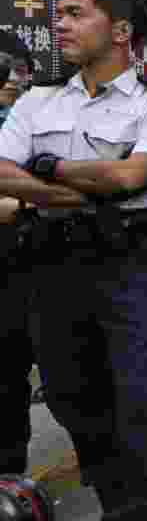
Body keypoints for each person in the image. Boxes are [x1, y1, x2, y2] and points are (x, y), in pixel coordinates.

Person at [0, 0, 147, 521]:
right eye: (57, 14)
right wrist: (90, 185)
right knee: (70, 393)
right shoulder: (38, 101)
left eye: (74, 13)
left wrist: (46, 171)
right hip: (56, 261)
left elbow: (133, 177)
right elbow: (4, 173)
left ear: (119, 31)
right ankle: (120, 511)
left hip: (138, 260)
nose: (59, 23)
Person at [0, 31, 35, 476]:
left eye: (19, 67)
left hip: (15, 265)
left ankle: (10, 480)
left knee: (8, 376)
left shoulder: (25, 126)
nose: (11, 76)